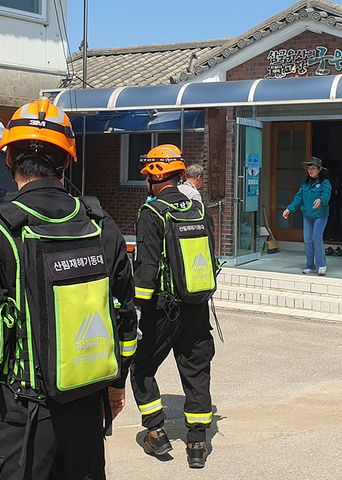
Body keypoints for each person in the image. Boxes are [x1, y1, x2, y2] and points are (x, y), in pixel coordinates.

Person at [0, 99, 138, 480]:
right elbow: (125, 317)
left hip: (17, 417)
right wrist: (116, 384)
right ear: (66, 161)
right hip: (87, 406)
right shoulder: (100, 224)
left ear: (9, 158)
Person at [131, 144, 218, 469]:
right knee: (196, 372)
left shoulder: (151, 213)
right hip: (197, 306)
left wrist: (136, 312)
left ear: (154, 178)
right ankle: (197, 444)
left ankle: (156, 433)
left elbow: (147, 271)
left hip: (162, 309)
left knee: (141, 369)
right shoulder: (199, 210)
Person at [282, 157, 332, 276]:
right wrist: (289, 208)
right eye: (309, 168)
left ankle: (321, 265)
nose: (311, 171)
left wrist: (320, 200)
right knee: (308, 241)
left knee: (316, 238)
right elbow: (298, 198)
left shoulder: (325, 183)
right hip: (307, 216)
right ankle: (310, 265)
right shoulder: (305, 184)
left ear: (319, 169)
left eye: (313, 168)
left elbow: (326, 195)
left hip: (320, 216)